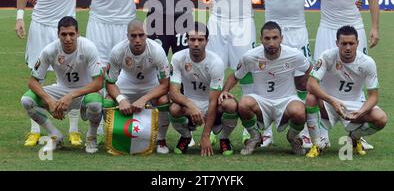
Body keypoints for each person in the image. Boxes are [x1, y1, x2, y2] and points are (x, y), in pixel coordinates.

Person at [15, 0, 85, 147]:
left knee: (71, 76)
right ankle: (35, 129)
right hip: (40, 25)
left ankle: (74, 130)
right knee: (37, 77)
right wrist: (19, 18)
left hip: (65, 28)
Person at [312, 0, 380, 150]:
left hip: (354, 29)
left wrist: (375, 28)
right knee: (318, 78)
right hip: (327, 29)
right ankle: (320, 133)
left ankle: (356, 132)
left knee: (357, 79)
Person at [77, 0, 141, 141]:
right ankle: (94, 128)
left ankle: (115, 124)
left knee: (122, 74)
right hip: (99, 22)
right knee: (99, 74)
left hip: (125, 23)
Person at [254, 0, 319, 148]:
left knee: (303, 81)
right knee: (265, 78)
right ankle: (267, 132)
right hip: (272, 33)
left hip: (297, 31)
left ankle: (306, 131)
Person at [205, 0, 262, 146]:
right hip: (218, 20)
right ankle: (211, 126)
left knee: (247, 73)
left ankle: (250, 128)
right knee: (213, 73)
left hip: (242, 21)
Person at [218, 21, 312, 156]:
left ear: (281, 38)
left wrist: (307, 86)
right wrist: (225, 91)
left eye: (275, 38)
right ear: (261, 39)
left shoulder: (294, 55)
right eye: (267, 38)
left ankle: (293, 138)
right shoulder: (250, 56)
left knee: (299, 111)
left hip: (287, 100)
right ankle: (255, 137)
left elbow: (310, 70)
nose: (271, 43)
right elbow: (235, 76)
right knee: (244, 103)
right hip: (260, 101)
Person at [20, 16, 104, 154]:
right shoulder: (50, 50)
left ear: (78, 33)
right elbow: (32, 81)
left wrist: (71, 96)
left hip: (85, 91)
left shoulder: (88, 47)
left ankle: (91, 138)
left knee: (95, 104)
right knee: (27, 100)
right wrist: (50, 101)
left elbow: (99, 82)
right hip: (61, 90)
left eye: (71, 34)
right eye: (63, 34)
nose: (68, 38)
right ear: (58, 34)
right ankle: (55, 135)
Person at [305, 26, 387, 157]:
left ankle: (354, 138)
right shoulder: (327, 56)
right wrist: (332, 101)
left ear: (357, 43)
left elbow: (373, 97)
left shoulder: (367, 62)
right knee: (310, 98)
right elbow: (311, 84)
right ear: (337, 43)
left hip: (353, 105)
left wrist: (360, 112)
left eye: (351, 43)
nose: (348, 47)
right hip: (328, 104)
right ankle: (316, 144)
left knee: (381, 118)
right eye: (344, 43)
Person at [103, 20, 171, 154]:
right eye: (133, 36)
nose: (137, 40)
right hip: (126, 84)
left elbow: (165, 85)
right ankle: (113, 134)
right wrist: (121, 99)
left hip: (151, 86)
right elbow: (110, 83)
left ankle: (161, 139)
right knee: (108, 101)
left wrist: (144, 99)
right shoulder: (118, 51)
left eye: (141, 35)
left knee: (164, 101)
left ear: (147, 35)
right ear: (127, 36)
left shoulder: (157, 51)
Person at [169, 22, 232, 156]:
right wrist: (191, 105)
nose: (196, 43)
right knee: (174, 108)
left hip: (210, 103)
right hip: (189, 102)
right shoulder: (178, 58)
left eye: (200, 40)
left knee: (230, 105)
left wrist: (205, 135)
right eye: (192, 39)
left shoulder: (216, 62)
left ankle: (224, 138)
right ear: (187, 41)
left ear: (207, 41)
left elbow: (213, 101)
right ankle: (186, 136)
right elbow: (173, 92)